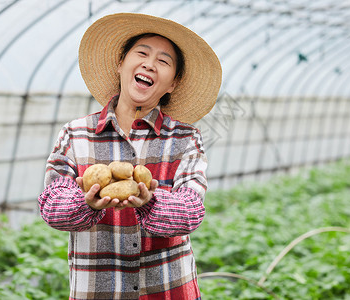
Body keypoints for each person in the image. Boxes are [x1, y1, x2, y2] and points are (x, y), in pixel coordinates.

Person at [38, 13, 222, 300]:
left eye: (164, 61)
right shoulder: (76, 134)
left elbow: (191, 211)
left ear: (172, 83)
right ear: (121, 62)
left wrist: (150, 201)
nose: (150, 63)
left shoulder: (185, 139)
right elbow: (52, 207)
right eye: (142, 53)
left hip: (169, 291)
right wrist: (85, 203)